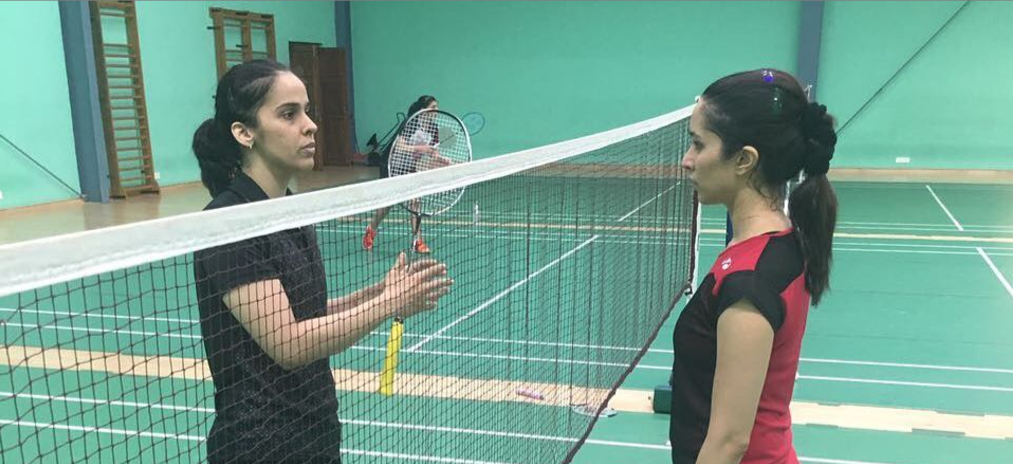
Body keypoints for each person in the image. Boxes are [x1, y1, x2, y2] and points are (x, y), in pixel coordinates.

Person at [191, 60, 454, 464]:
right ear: (244, 133)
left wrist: (377, 294)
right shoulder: (229, 223)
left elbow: (304, 314)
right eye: (288, 114)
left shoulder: (291, 209)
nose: (310, 124)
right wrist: (388, 304)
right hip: (260, 444)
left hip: (314, 428)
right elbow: (288, 343)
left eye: (307, 110)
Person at [670, 69, 838, 464]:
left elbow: (730, 442)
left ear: (744, 160)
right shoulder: (778, 243)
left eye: (698, 145)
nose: (687, 161)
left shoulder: (749, 281)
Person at [362, 95, 442, 253]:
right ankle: (371, 230)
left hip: (409, 167)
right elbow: (399, 146)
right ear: (423, 109)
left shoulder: (434, 129)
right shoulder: (411, 123)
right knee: (388, 205)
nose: (437, 110)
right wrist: (420, 149)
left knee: (415, 203)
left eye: (437, 107)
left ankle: (417, 241)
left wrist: (446, 162)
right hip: (391, 164)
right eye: (433, 107)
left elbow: (434, 155)